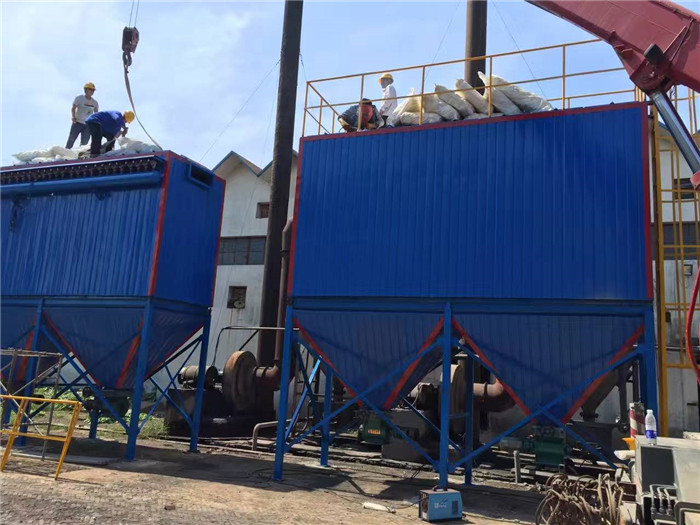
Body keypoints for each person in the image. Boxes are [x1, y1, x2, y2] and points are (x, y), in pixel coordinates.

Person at [66, 82, 99, 149]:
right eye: (90, 89)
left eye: (93, 90)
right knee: (71, 140)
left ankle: (81, 155)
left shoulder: (95, 103)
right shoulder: (79, 98)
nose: (92, 91)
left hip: (87, 125)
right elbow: (73, 108)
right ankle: (65, 152)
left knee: (84, 144)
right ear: (85, 90)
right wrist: (73, 117)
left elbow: (96, 114)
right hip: (77, 122)